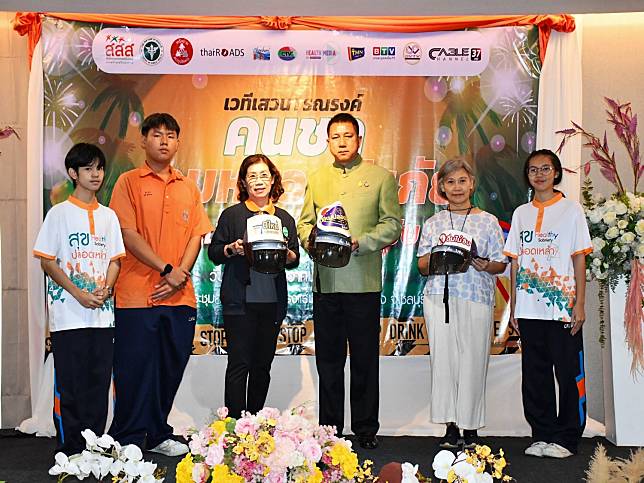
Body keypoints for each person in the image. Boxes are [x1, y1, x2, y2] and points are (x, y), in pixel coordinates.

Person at [108, 113, 213, 456]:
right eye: (156, 135)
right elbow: (127, 233)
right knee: (134, 369)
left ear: (178, 142)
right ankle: (127, 438)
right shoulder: (128, 182)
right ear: (144, 141)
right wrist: (166, 268)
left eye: (170, 135)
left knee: (169, 368)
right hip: (137, 294)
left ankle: (155, 434)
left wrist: (179, 274)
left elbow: (197, 235)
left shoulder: (188, 187)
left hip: (180, 296)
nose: (164, 141)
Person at [297, 112, 402, 449]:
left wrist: (361, 242)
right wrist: (312, 241)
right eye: (335, 137)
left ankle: (366, 428)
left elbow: (392, 224)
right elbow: (303, 224)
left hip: (363, 284)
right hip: (325, 284)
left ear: (359, 140)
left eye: (348, 136)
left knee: (364, 360)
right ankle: (329, 430)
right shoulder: (316, 178)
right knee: (327, 361)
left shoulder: (381, 177)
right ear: (327, 142)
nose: (341, 142)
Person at [33, 143, 125, 455]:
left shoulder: (109, 217)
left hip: (102, 315)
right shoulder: (58, 214)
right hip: (68, 316)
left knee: (98, 384)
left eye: (99, 168)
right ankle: (70, 448)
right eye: (88, 169)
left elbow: (115, 260)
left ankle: (95, 446)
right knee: (70, 385)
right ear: (73, 173)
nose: (96, 174)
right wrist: (78, 293)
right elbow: (47, 261)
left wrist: (106, 289)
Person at [504, 149, 592, 459]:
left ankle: (568, 438)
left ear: (556, 173)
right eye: (532, 170)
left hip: (562, 309)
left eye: (545, 168)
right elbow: (515, 264)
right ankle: (541, 434)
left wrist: (579, 304)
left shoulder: (571, 211)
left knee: (568, 374)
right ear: (527, 176)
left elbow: (579, 258)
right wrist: (514, 306)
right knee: (535, 375)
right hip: (529, 311)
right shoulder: (520, 214)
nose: (539, 174)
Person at [417, 157, 507, 449]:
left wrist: (484, 265)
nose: (457, 187)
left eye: (462, 181)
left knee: (473, 361)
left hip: (476, 296)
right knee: (444, 362)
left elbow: (500, 265)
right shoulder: (434, 222)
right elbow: (421, 265)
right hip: (438, 298)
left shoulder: (488, 221)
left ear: (472, 184)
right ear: (441, 186)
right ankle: (450, 426)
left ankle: (470, 428)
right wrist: (441, 256)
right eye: (450, 182)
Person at [208, 154, 299, 418]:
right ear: (244, 182)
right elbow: (214, 253)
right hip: (239, 303)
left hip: (271, 304)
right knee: (238, 365)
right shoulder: (232, 215)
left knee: (262, 366)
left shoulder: (284, 218)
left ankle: (257, 425)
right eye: (252, 176)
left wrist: (290, 255)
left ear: (273, 180)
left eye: (263, 175)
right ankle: (235, 426)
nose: (258, 181)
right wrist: (231, 248)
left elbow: (294, 258)